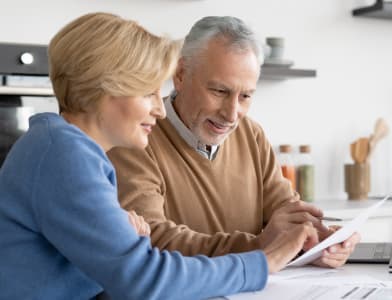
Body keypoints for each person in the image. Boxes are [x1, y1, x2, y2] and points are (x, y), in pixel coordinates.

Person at [0, 12, 318, 299]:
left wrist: (128, 243)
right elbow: (145, 279)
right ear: (106, 89)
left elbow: (117, 270)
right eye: (148, 91)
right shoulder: (64, 156)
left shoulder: (64, 148)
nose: (159, 108)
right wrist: (262, 262)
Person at [108, 16, 360, 267]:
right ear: (181, 75)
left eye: (246, 96)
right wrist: (261, 247)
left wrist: (320, 241)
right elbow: (153, 239)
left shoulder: (251, 134)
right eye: (219, 91)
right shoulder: (136, 137)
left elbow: (286, 213)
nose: (231, 114)